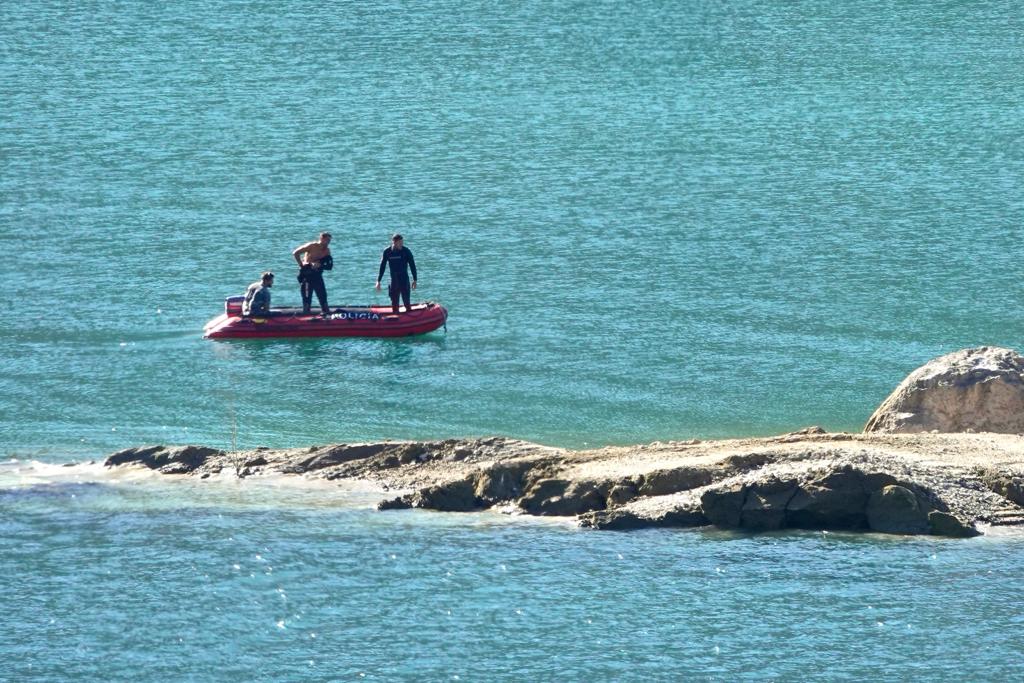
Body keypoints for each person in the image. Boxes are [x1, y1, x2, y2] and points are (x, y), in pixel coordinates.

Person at [375, 233, 417, 313]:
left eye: (402, 242)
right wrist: (378, 281)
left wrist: (415, 280)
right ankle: (395, 320)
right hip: (394, 281)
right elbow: (382, 266)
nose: (402, 244)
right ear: (394, 242)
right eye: (400, 243)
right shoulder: (387, 252)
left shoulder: (406, 251)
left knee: (407, 304)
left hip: (404, 280)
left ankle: (408, 319)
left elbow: (412, 265)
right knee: (394, 306)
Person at [293, 232, 333, 315]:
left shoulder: (327, 251)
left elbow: (328, 265)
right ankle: (306, 314)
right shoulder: (312, 246)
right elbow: (296, 253)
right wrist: (301, 265)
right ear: (321, 239)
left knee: (323, 296)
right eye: (327, 240)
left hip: (317, 275)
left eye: (329, 241)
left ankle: (325, 313)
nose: (328, 242)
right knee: (307, 297)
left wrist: (320, 265)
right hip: (307, 275)